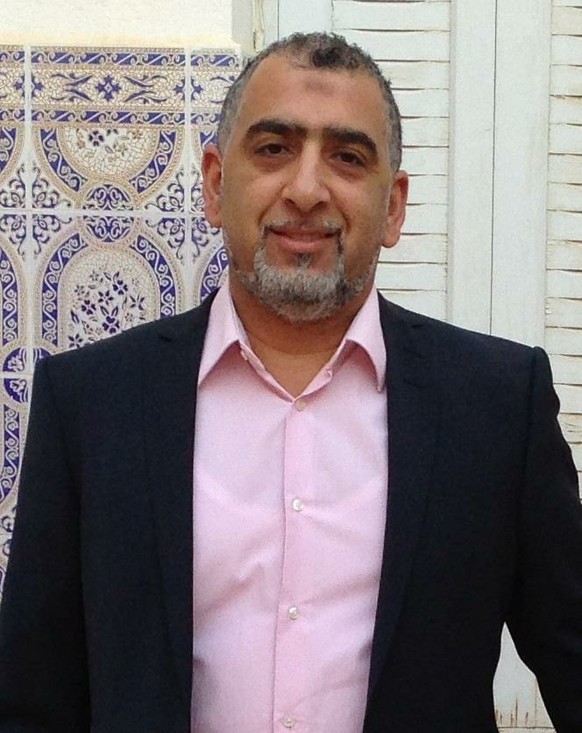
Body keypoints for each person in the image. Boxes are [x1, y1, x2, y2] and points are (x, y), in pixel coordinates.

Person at [0, 31, 581, 733]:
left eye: (347, 157)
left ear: (394, 206)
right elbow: (33, 698)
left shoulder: (499, 406)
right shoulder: (90, 403)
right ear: (216, 184)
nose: (306, 190)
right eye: (274, 149)